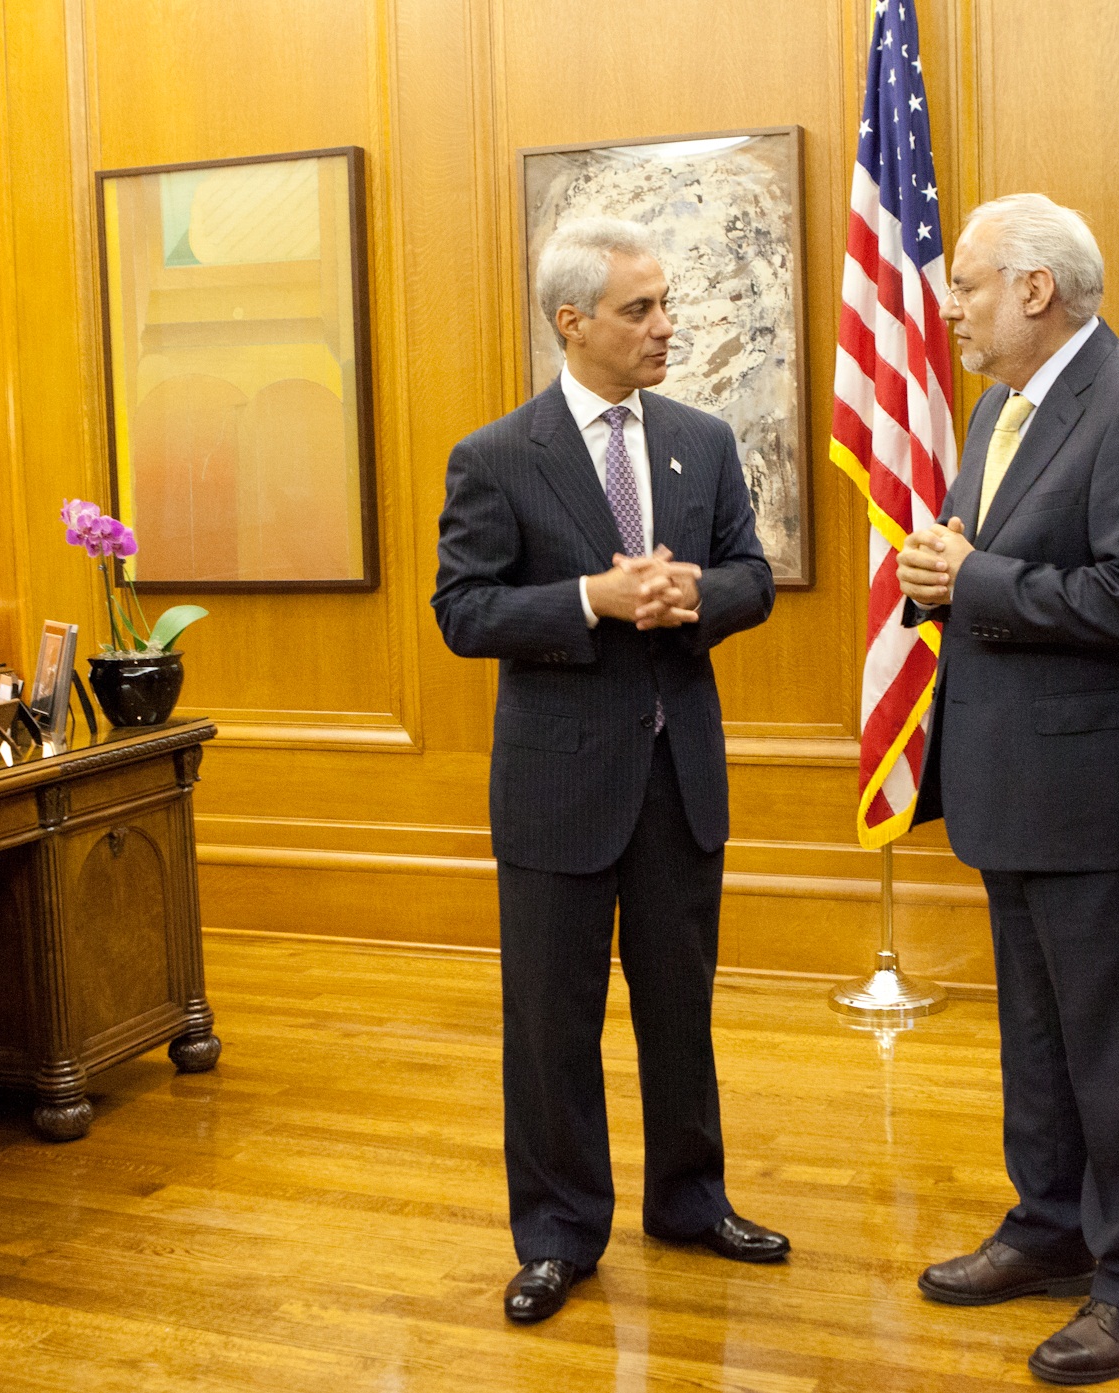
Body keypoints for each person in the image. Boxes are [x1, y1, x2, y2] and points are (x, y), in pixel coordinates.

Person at [432, 216, 787, 1326]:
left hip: (679, 780)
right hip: (556, 791)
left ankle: (690, 1199)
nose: (665, 326)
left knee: (679, 1008)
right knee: (550, 1022)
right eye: (640, 309)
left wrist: (694, 598)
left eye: (666, 303)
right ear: (570, 321)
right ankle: (554, 1233)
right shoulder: (496, 456)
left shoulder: (700, 439)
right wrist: (592, 599)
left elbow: (752, 574)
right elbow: (463, 610)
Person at [896, 193, 1119, 1385]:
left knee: (1111, 1053)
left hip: (1100, 795)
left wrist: (974, 578)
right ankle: (1049, 1228)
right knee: (1035, 1037)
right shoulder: (1000, 407)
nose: (950, 305)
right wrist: (944, 576)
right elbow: (1002, 567)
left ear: (1033, 290)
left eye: (967, 283)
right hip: (1010, 781)